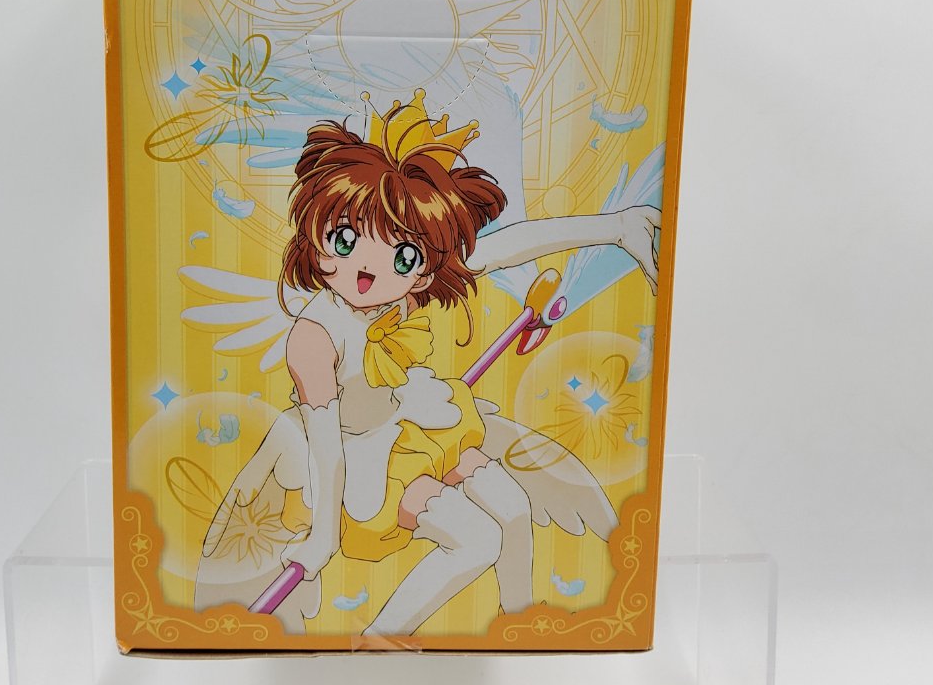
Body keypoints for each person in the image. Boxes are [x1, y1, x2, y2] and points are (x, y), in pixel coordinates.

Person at [197, 91, 660, 636]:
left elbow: (508, 246)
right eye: (345, 239)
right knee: (478, 540)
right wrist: (323, 536)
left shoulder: (406, 294)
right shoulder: (314, 338)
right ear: (314, 231)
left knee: (513, 510)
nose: (367, 270)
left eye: (403, 256)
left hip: (421, 425)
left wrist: (616, 227)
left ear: (421, 267)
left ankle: (517, 630)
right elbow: (325, 447)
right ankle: (379, 643)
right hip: (367, 466)